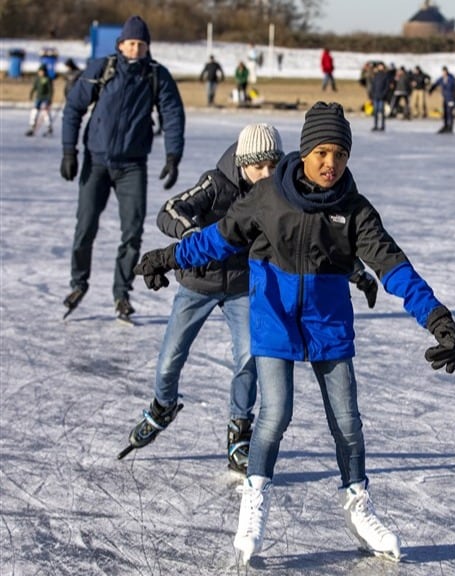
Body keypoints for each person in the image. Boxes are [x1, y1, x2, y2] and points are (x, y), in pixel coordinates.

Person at [133, 101, 455, 564]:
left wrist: (438, 318)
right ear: (306, 151)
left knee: (347, 422)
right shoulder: (268, 196)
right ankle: (255, 501)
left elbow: (393, 266)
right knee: (275, 416)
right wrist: (167, 258)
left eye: (341, 155)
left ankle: (358, 505)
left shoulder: (354, 210)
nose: (332, 164)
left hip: (327, 326)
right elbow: (218, 237)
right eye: (324, 152)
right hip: (275, 320)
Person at [120, 123, 380, 472]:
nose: (266, 174)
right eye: (259, 166)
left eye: (273, 165)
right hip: (199, 283)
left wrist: (358, 273)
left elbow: (314, 246)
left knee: (248, 359)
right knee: (170, 358)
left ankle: (239, 432)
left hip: (244, 287)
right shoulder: (215, 183)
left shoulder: (282, 194)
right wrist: (194, 236)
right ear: (243, 163)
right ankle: (163, 405)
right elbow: (169, 211)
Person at [60, 15, 185, 323]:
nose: (135, 49)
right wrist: (68, 151)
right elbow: (74, 108)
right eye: (130, 43)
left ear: (147, 47)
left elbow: (172, 114)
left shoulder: (156, 75)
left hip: (132, 165)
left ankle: (122, 294)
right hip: (97, 161)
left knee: (132, 231)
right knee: (85, 227)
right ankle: (78, 284)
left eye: (141, 44)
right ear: (120, 45)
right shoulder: (102, 69)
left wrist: (173, 156)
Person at [26, 65, 54, 137]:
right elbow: (34, 87)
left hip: (46, 98)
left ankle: (49, 127)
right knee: (34, 111)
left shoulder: (47, 79)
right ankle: (32, 126)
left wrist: (49, 99)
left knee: (45, 112)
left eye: (42, 71)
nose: (40, 73)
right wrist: (31, 94)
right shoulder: (37, 79)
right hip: (38, 97)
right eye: (39, 71)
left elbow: (50, 90)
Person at [429, 66, 455, 134]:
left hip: (451, 98)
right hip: (445, 98)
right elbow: (435, 84)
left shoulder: (451, 79)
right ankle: (445, 125)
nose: (444, 73)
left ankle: (450, 126)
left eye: (445, 72)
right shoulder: (441, 79)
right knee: (445, 112)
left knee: (449, 112)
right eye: (443, 72)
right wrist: (431, 90)